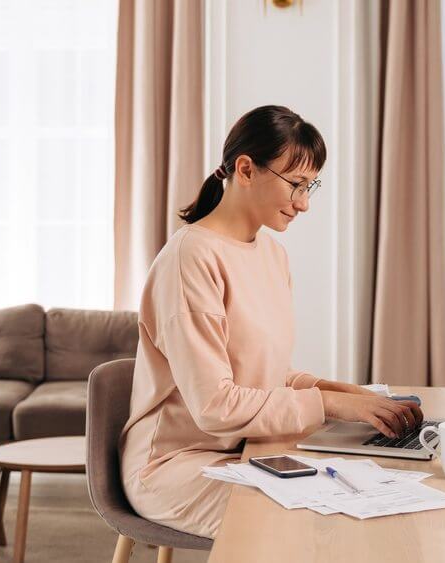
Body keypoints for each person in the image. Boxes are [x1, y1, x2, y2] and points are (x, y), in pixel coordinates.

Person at [119, 105, 423, 538]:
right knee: (317, 524)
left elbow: (265, 375)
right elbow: (215, 407)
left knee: (370, 490)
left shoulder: (270, 254)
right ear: (245, 169)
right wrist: (329, 406)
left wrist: (346, 395)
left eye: (310, 186)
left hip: (247, 451)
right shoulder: (191, 258)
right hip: (178, 465)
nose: (304, 204)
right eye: (296, 185)